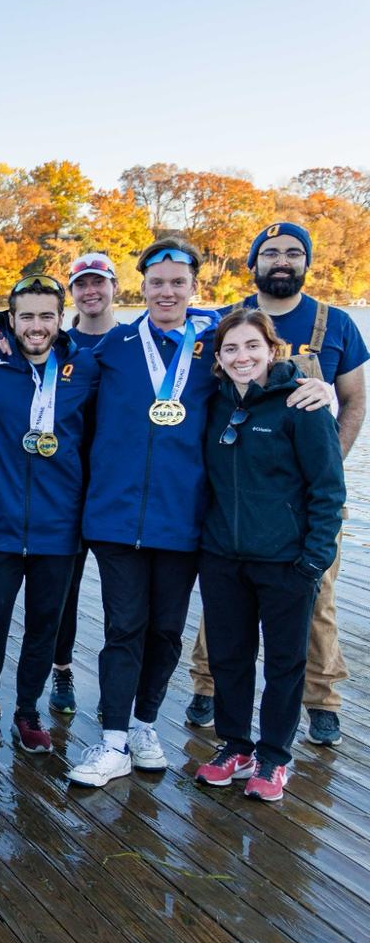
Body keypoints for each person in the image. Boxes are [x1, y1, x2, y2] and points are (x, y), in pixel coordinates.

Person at [67, 237, 331, 786]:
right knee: (124, 628)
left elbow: (260, 372)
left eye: (178, 283)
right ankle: (113, 739)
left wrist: (317, 387)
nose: (167, 292)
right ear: (142, 287)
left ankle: (145, 726)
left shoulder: (212, 344)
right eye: (157, 283)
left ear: (193, 287)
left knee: (166, 632)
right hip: (116, 519)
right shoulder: (113, 346)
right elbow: (53, 379)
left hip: (185, 521)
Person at [186, 222, 366, 746]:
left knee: (317, 598)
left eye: (292, 252)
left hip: (304, 493)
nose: (281, 260)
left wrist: (324, 463)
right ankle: (207, 685)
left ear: (306, 262)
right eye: (270, 253)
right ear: (254, 263)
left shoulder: (336, 322)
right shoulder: (221, 321)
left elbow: (353, 399)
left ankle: (322, 698)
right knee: (224, 608)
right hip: (236, 498)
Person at [193, 310, 344, 801]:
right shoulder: (212, 404)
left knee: (284, 662)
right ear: (218, 358)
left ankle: (275, 755)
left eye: (252, 346)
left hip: (286, 562)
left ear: (271, 349)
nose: (243, 357)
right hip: (222, 558)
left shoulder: (302, 404)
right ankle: (235, 746)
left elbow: (328, 489)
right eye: (231, 349)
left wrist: (314, 560)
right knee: (229, 658)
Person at [0, 276, 99, 753]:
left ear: (61, 320)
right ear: (11, 320)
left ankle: (28, 711)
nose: (37, 326)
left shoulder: (85, 367)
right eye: (27, 316)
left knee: (44, 624)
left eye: (46, 316)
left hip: (59, 526)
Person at [51, 251, 121, 716]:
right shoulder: (59, 343)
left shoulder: (133, 340)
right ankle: (62, 669)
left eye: (99, 282)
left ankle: (119, 682)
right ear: (72, 293)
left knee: (121, 596)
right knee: (66, 590)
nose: (91, 291)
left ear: (115, 287)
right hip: (68, 484)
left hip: (116, 484)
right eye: (81, 284)